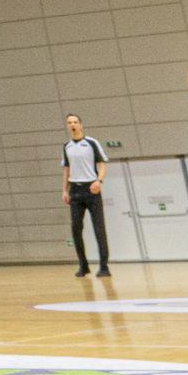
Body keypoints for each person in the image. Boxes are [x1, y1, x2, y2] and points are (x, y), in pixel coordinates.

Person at [61, 113, 112, 277]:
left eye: (75, 122)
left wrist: (99, 181)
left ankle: (104, 267)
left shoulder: (91, 143)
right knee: (76, 229)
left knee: (99, 229)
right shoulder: (66, 146)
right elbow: (66, 170)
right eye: (69, 122)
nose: (72, 125)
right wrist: (64, 190)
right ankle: (83, 266)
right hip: (75, 191)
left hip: (91, 190)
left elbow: (102, 165)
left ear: (81, 125)